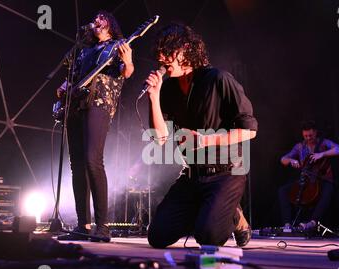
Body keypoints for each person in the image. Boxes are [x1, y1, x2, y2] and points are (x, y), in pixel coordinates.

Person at [144, 23, 258, 248]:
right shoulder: (168, 89)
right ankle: (209, 207)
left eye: (167, 51)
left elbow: (249, 130)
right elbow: (159, 139)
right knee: (157, 236)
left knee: (208, 236)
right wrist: (154, 98)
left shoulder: (218, 78)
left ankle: (234, 214)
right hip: (192, 174)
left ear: (186, 49)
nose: (161, 57)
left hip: (226, 171)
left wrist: (206, 139)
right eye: (159, 52)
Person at [57, 11, 134, 241]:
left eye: (102, 18)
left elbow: (126, 72)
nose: (96, 21)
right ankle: (84, 225)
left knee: (92, 160)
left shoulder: (118, 45)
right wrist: (63, 88)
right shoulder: (84, 51)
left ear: (110, 24)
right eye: (95, 19)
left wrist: (128, 61)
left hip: (99, 103)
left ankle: (103, 226)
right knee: (77, 164)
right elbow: (73, 77)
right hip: (76, 106)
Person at [278, 121, 339, 232]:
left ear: (315, 133)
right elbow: (283, 159)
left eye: (310, 135)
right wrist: (291, 160)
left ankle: (312, 222)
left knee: (328, 190)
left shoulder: (324, 143)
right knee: (282, 191)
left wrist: (322, 154)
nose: (308, 138)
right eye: (305, 136)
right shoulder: (299, 146)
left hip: (322, 179)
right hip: (306, 180)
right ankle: (287, 224)